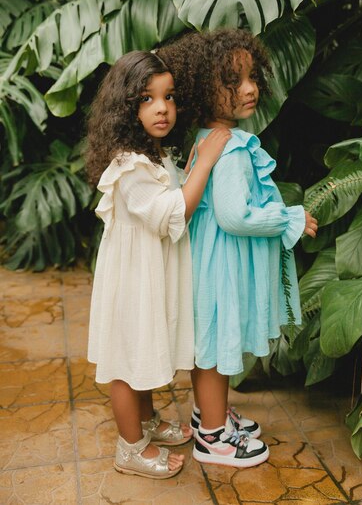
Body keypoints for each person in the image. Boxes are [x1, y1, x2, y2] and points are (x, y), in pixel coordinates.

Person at [159, 30, 318, 468]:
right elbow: (235, 215)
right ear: (202, 90)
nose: (250, 89)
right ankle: (211, 436)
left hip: (213, 258)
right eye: (234, 81)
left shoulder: (212, 135)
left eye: (252, 77)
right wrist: (289, 218)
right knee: (215, 346)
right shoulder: (228, 149)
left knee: (214, 343)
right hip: (221, 264)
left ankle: (207, 413)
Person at [85, 51, 230, 479]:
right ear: (126, 107)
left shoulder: (152, 154)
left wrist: (188, 166)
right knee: (128, 363)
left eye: (168, 97)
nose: (162, 107)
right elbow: (173, 213)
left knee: (145, 350)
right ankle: (129, 448)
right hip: (133, 280)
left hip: (149, 274)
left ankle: (146, 424)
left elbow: (171, 189)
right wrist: (205, 161)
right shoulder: (128, 164)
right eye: (147, 99)